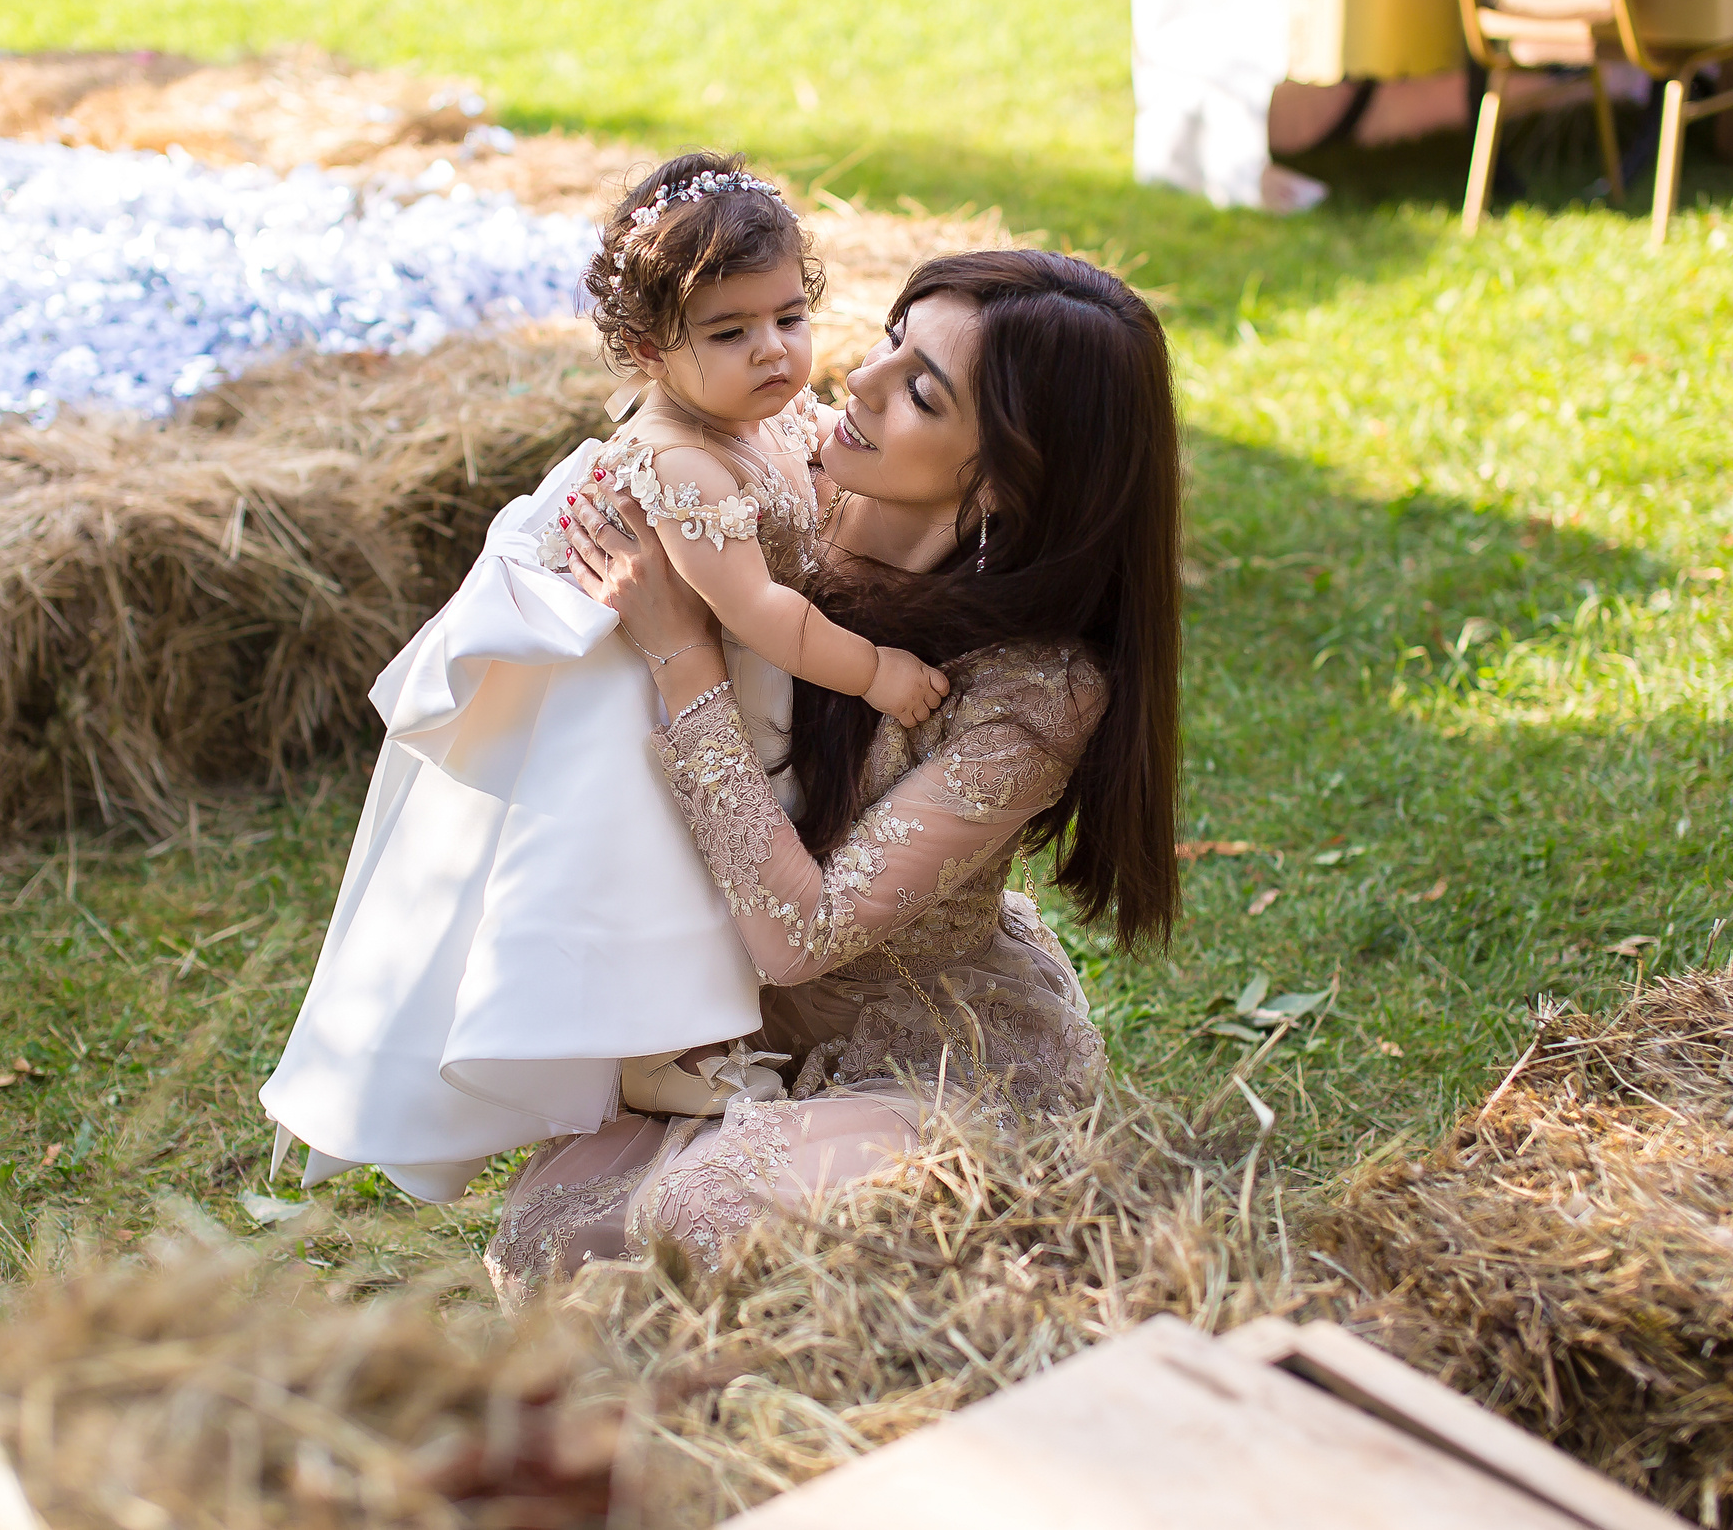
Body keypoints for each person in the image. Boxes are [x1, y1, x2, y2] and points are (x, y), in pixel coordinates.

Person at [486, 248, 1182, 1299]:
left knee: (703, 1219)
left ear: (1006, 480)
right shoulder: (768, 481)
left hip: (927, 1055)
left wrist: (681, 652)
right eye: (893, 340)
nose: (858, 379)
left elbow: (798, 935)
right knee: (561, 1242)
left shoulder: (1035, 693)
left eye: (921, 393)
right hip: (724, 1017)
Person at [258, 154, 946, 1203]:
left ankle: (686, 1028)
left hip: (715, 674)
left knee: (702, 864)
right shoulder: (679, 461)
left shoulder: (755, 417)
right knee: (651, 869)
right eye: (730, 332)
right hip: (639, 695)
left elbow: (805, 490)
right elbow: (760, 611)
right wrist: (878, 671)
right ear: (648, 351)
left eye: (789, 316)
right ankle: (648, 1047)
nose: (773, 350)